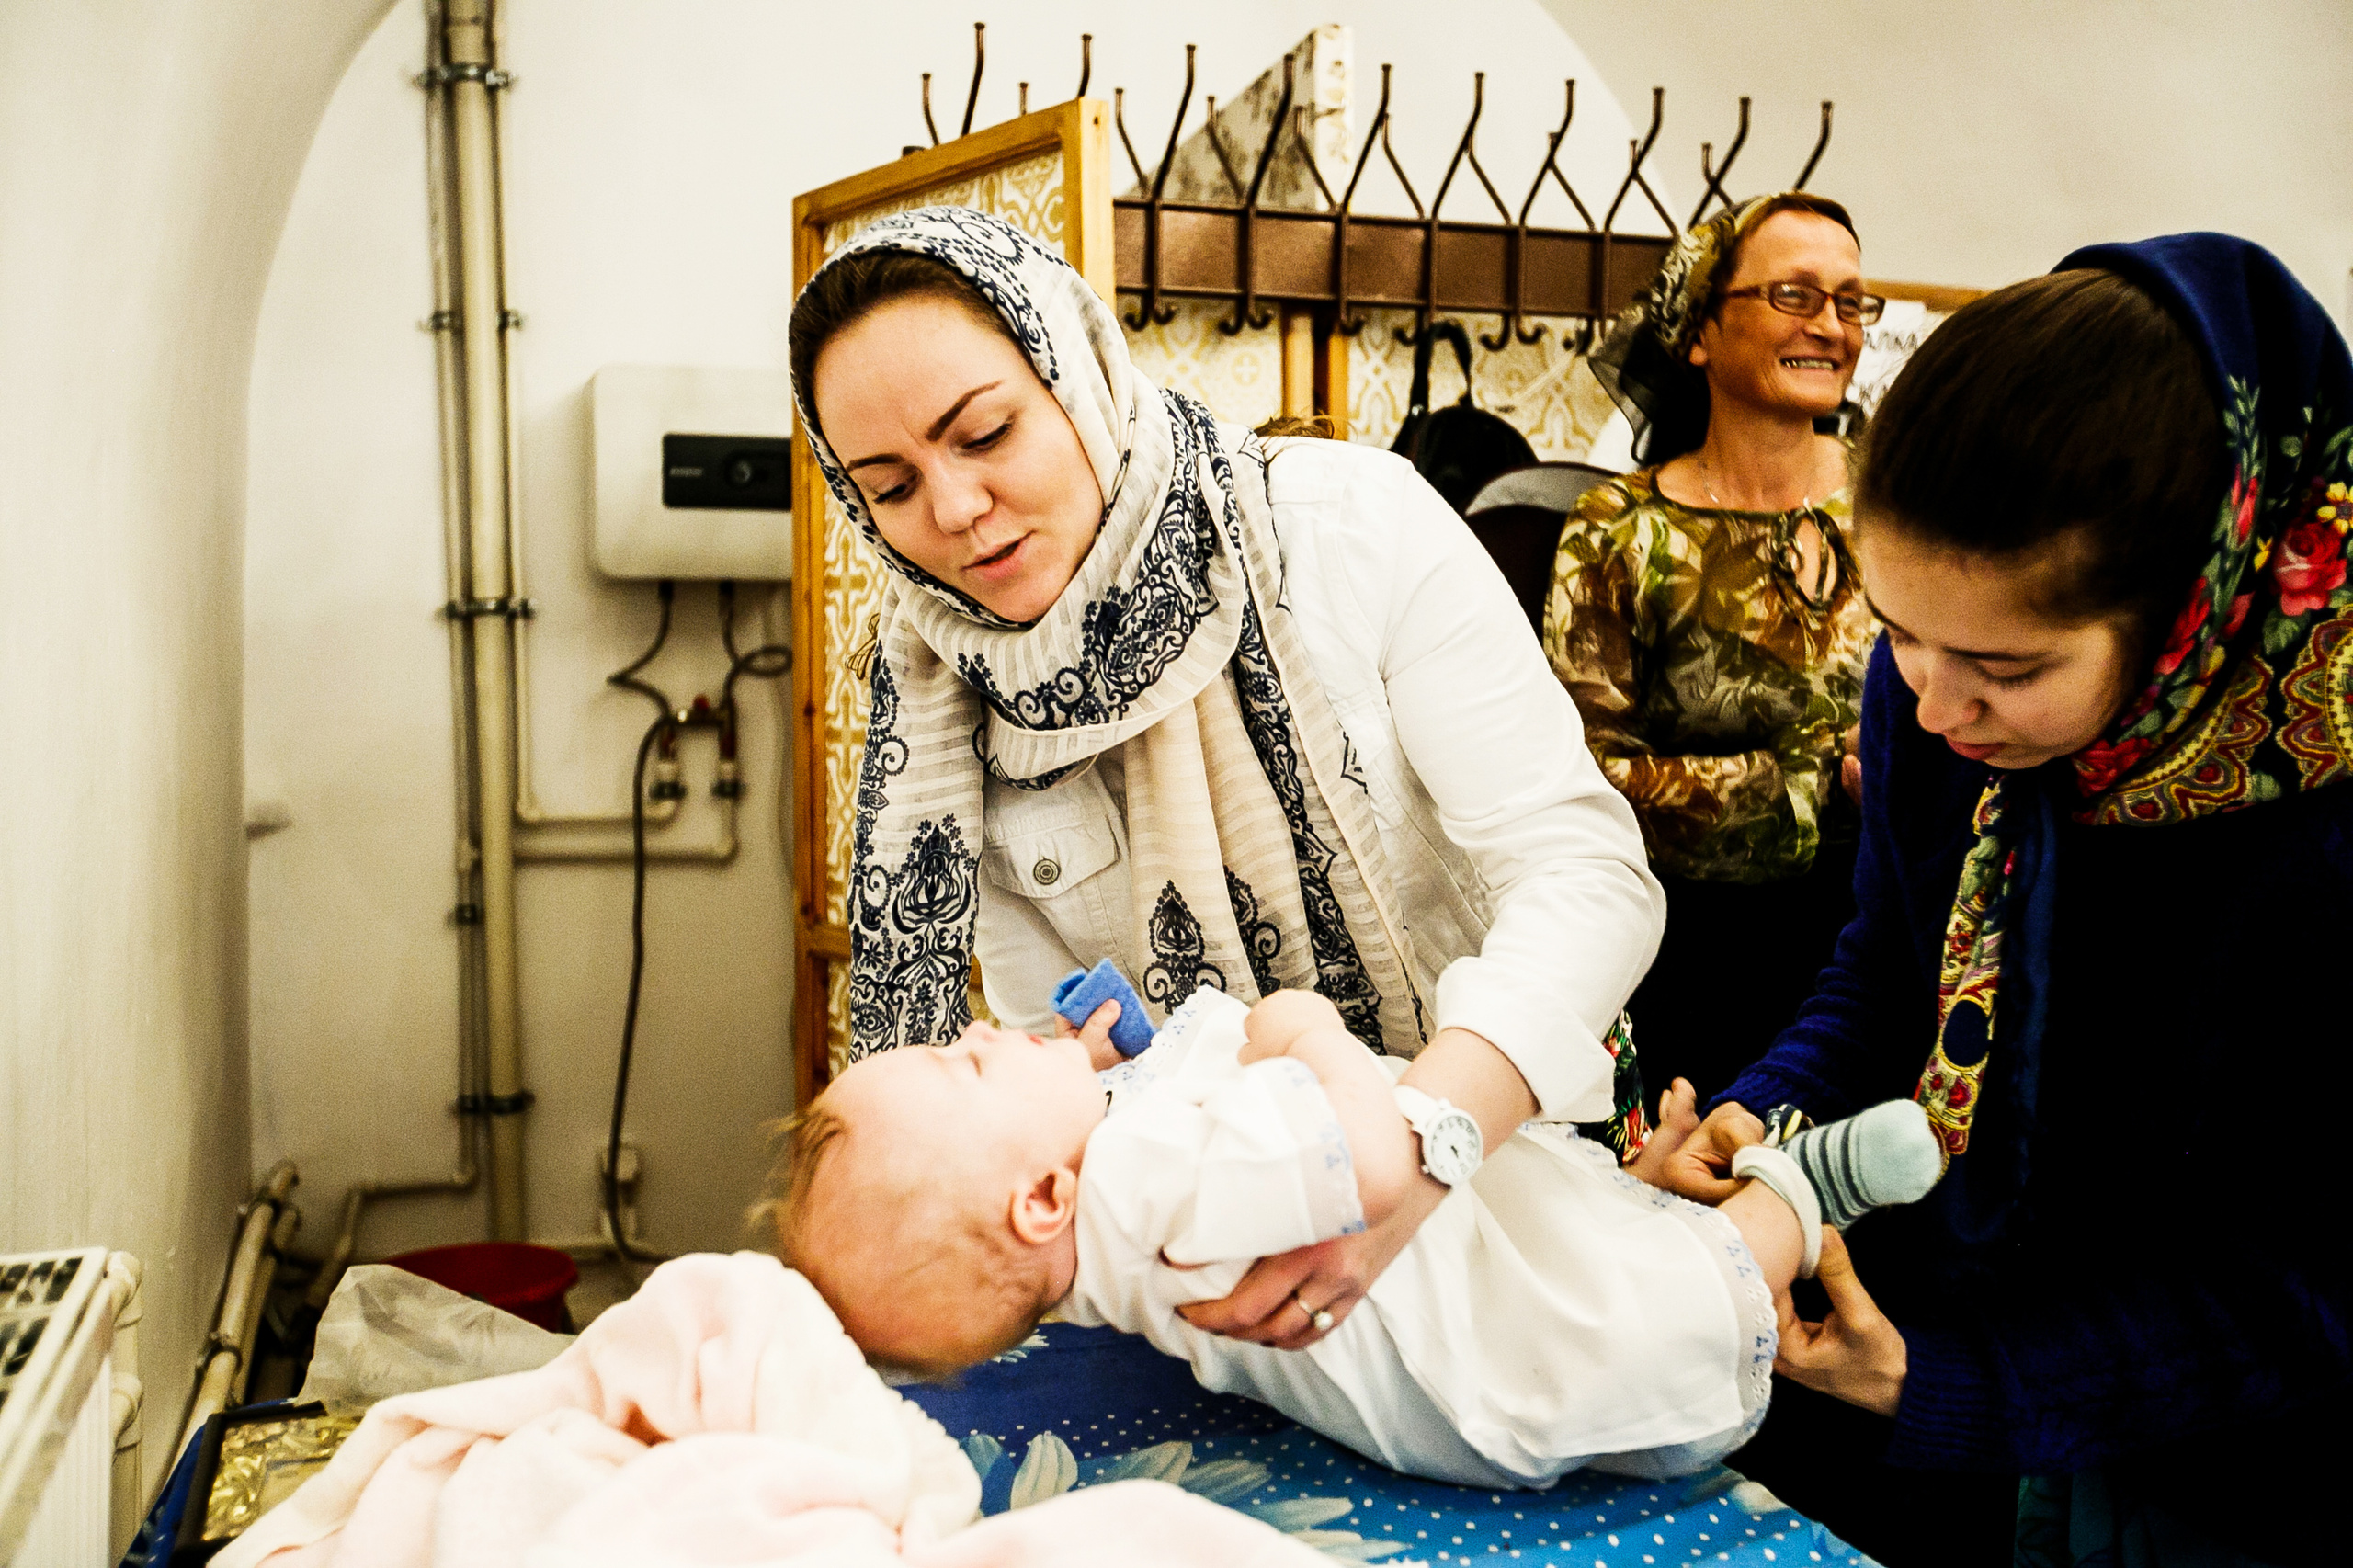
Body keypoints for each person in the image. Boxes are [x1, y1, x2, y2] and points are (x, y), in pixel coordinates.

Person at [788, 206, 1665, 1355]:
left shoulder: (1345, 529)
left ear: (1081, 373)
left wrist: (1409, 1144)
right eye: (890, 486)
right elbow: (1066, 1048)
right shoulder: (940, 706)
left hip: (1522, 1182)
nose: (952, 514)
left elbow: (1585, 875)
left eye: (987, 433)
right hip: (1233, 1275)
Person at [1650, 233, 2351, 1567]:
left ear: (2192, 612)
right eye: (1897, 630)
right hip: (1963, 1398)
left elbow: (2306, 1289)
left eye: (2003, 665)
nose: (1930, 703)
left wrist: (1948, 1381)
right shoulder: (1938, 713)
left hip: (2245, 1469)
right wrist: (1762, 1109)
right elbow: (1890, 972)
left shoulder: (2317, 831)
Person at [767, 984, 1942, 1489]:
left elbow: (1156, 1110)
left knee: (1566, 1219)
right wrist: (1307, 1030)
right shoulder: (1142, 1175)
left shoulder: (1085, 1235)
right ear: (1037, 1197)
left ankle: (1691, 1189)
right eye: (964, 1059)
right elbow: (1381, 1159)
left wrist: (1122, 1048)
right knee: (1668, 1292)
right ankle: (1808, 1186)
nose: (980, 1026)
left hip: (1450, 1298)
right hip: (1504, 1346)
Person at [1545, 192, 1881, 1099]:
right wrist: (1805, 786)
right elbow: (1578, 778)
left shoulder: (1902, 502)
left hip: (1888, 946)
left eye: (1851, 302)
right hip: (1695, 967)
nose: (1831, 326)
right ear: (1699, 329)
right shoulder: (1617, 531)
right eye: (1795, 296)